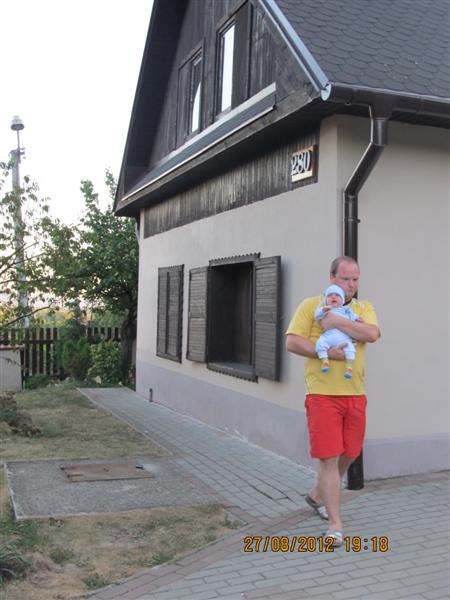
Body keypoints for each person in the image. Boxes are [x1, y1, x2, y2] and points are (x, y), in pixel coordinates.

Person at [285, 256, 380, 546]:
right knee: (329, 458)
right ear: (331, 278)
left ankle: (318, 494)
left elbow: (372, 334)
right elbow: (292, 342)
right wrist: (325, 352)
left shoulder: (363, 308)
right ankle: (335, 524)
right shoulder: (311, 306)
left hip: (355, 394)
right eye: (345, 279)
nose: (350, 285)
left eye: (355, 279)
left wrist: (336, 321)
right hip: (322, 395)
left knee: (350, 453)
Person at [314, 284, 359, 379]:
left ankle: (349, 367)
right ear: (326, 300)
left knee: (350, 349)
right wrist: (323, 310)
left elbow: (353, 317)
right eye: (330, 295)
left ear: (342, 300)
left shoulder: (346, 310)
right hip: (328, 336)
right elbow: (317, 316)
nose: (333, 297)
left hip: (343, 338)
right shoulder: (326, 310)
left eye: (337, 295)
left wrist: (358, 319)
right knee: (320, 344)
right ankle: (325, 360)